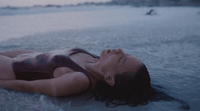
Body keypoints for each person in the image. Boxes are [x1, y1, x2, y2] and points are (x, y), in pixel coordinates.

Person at [0, 48, 190, 110]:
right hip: (8, 57)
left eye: (122, 59)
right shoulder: (91, 57)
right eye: (126, 54)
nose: (119, 50)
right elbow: (37, 54)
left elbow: (28, 86)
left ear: (109, 78)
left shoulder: (79, 80)